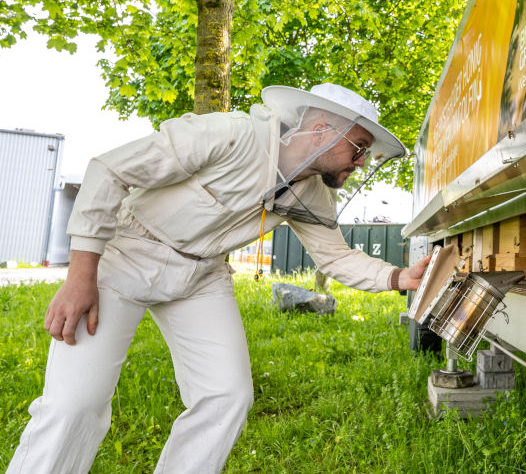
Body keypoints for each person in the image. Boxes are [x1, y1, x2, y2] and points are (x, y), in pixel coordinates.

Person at [6, 83, 431, 474]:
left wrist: (399, 276)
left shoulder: (313, 192)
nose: (361, 162)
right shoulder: (229, 134)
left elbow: (336, 257)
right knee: (75, 404)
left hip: (202, 275)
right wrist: (81, 275)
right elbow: (109, 171)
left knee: (227, 396)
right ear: (320, 131)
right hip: (126, 254)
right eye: (358, 148)